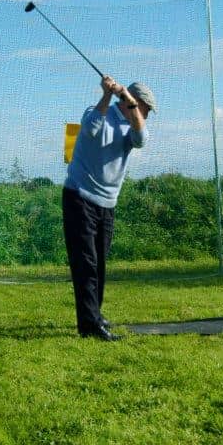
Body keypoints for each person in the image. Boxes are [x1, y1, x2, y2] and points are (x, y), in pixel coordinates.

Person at [63, 75, 157, 341]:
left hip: (107, 204)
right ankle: (89, 326)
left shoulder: (132, 126)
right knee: (86, 264)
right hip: (79, 196)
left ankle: (95, 315)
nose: (146, 116)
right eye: (145, 109)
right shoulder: (97, 114)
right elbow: (91, 128)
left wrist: (128, 102)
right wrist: (107, 95)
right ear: (136, 103)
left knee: (100, 263)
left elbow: (141, 139)